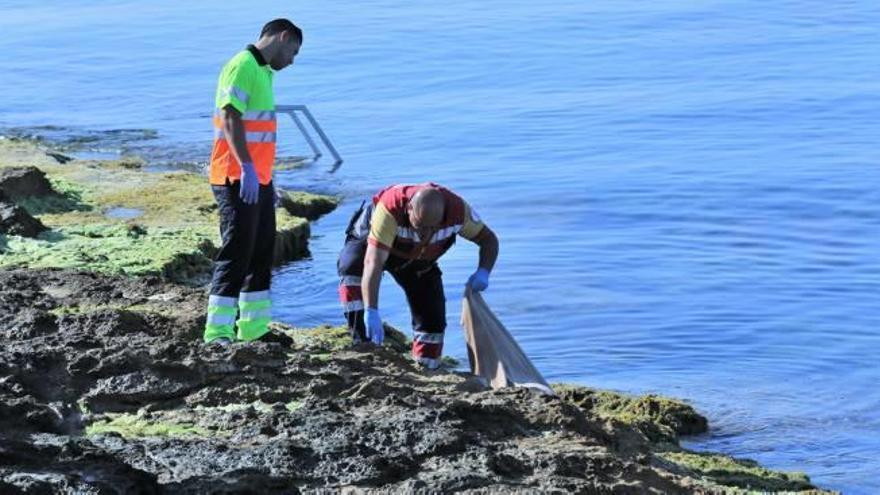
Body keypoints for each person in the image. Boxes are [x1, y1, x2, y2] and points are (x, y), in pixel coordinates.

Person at [203, 19, 302, 345]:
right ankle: (217, 333)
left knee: (261, 252)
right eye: (293, 51)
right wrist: (246, 167)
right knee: (237, 252)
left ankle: (254, 330)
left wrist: (266, 180)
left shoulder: (264, 73)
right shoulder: (242, 65)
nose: (292, 60)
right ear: (283, 37)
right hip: (234, 176)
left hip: (257, 179)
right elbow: (230, 116)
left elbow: (257, 131)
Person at [337, 183, 500, 368]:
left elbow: (489, 240)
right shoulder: (389, 209)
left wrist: (483, 271)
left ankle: (425, 365)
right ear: (409, 209)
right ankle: (363, 343)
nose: (425, 233)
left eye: (433, 228)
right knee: (351, 267)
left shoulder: (458, 212)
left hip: (418, 260)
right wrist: (371, 310)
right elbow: (373, 263)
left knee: (433, 321)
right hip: (372, 247)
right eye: (420, 226)